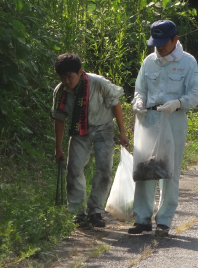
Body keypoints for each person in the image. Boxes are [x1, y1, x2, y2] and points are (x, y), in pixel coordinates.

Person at [129, 20, 198, 237]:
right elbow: (140, 88)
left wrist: (178, 103)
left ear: (175, 39)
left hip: (173, 121)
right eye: (155, 42)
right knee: (144, 168)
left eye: (163, 42)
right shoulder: (149, 61)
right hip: (148, 120)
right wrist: (139, 103)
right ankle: (142, 219)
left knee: (169, 171)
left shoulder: (188, 62)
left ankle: (164, 220)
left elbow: (196, 93)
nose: (159, 47)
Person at [52, 52, 129, 227]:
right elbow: (59, 118)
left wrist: (122, 132)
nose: (67, 82)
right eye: (63, 78)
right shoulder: (61, 91)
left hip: (104, 128)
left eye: (70, 77)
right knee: (74, 170)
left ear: (80, 72)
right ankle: (78, 213)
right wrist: (58, 147)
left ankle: (96, 211)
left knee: (103, 169)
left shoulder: (98, 83)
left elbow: (115, 103)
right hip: (79, 131)